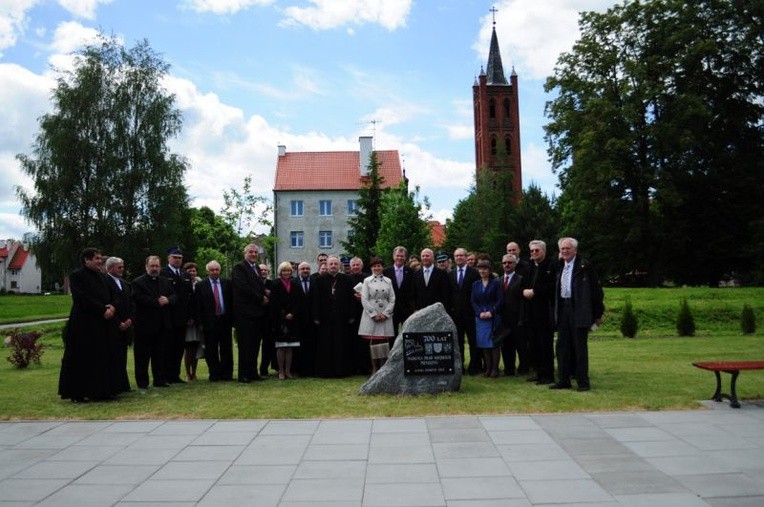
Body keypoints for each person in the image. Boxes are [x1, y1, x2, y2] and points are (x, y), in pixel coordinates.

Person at [58, 247, 121, 402]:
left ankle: (101, 391)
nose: (100, 261)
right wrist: (102, 310)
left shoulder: (103, 277)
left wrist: (113, 307)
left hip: (102, 324)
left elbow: (115, 295)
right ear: (86, 260)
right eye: (97, 258)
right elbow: (81, 298)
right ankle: (78, 393)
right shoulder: (77, 276)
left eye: (100, 258)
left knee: (101, 357)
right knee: (82, 358)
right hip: (84, 325)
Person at [551, 237, 605, 392]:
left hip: (579, 310)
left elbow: (596, 291)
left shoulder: (585, 266)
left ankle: (583, 381)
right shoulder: (560, 266)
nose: (564, 251)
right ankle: (563, 380)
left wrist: (597, 313)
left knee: (579, 348)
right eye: (562, 249)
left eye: (568, 248)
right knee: (562, 347)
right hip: (563, 309)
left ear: (575, 250)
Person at [132, 255, 176, 390]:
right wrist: (157, 302)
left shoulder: (165, 281)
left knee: (160, 354)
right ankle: (142, 383)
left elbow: (174, 295)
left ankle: (160, 379)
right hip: (144, 325)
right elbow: (138, 299)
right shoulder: (137, 282)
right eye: (152, 266)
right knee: (142, 356)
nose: (155, 269)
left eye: (157, 266)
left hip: (162, 325)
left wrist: (168, 300)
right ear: (146, 266)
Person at [312, 256, 355, 377]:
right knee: (325, 345)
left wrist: (351, 315)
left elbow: (351, 299)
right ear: (327, 265)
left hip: (342, 318)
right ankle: (325, 371)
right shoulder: (320, 280)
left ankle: (340, 371)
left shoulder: (346, 279)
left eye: (335, 264)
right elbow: (315, 299)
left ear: (339, 266)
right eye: (331, 264)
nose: (333, 266)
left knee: (341, 345)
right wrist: (315, 316)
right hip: (324, 318)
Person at [232, 244, 269, 382]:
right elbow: (243, 288)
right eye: (251, 252)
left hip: (257, 314)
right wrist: (261, 297)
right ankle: (244, 375)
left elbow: (258, 286)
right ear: (245, 253)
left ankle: (253, 372)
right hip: (245, 314)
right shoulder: (239, 268)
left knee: (254, 345)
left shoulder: (257, 269)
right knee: (245, 345)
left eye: (255, 252)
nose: (253, 254)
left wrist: (265, 292)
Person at [522, 240, 556, 385]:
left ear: (544, 251)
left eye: (537, 250)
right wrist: (524, 290)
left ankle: (547, 375)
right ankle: (538, 372)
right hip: (531, 312)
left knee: (545, 345)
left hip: (544, 311)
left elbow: (552, 286)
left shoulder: (551, 265)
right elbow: (524, 283)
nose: (534, 253)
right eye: (532, 251)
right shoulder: (530, 266)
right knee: (534, 345)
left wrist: (535, 291)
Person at [195, 260, 234, 382]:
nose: (214, 272)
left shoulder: (227, 283)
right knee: (211, 350)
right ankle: (214, 374)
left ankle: (227, 374)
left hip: (225, 320)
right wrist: (200, 323)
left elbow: (232, 303)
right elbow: (198, 306)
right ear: (207, 271)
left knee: (226, 349)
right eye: (212, 270)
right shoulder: (201, 285)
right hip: (209, 322)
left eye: (217, 269)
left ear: (220, 270)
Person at [160, 248, 194, 384]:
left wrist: (191, 316)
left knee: (179, 348)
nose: (177, 260)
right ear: (168, 258)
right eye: (174, 257)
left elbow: (190, 297)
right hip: (168, 316)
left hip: (182, 318)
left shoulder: (185, 274)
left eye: (180, 258)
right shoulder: (163, 273)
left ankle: (175, 374)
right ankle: (165, 375)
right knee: (167, 347)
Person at [357, 257, 396, 374]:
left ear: (382, 267)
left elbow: (392, 298)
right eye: (374, 266)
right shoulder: (367, 281)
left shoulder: (388, 281)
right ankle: (374, 368)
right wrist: (374, 314)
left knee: (384, 341)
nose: (377, 268)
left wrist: (385, 313)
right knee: (373, 341)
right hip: (371, 314)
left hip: (385, 314)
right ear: (371, 268)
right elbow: (364, 299)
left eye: (379, 266)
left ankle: (383, 367)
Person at [449, 248, 481, 375]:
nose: (459, 258)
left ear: (466, 257)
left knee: (473, 341)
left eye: (461, 255)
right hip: (456, 313)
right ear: (454, 258)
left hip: (471, 312)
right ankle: (460, 366)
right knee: (458, 342)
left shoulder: (474, 273)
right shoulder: (450, 274)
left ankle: (474, 367)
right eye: (457, 256)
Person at [104, 256, 133, 393]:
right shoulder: (105, 282)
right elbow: (108, 304)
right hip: (112, 326)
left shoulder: (125, 284)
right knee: (113, 356)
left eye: (122, 266)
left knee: (123, 356)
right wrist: (118, 322)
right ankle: (115, 384)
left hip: (126, 325)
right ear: (110, 268)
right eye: (119, 267)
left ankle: (123, 384)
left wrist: (130, 320)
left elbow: (131, 304)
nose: (122, 269)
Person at [470, 259, 503, 377]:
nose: (482, 271)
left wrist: (492, 312)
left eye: (485, 268)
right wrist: (479, 313)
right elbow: (473, 301)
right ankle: (487, 369)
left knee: (493, 344)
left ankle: (495, 369)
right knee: (484, 344)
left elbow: (500, 300)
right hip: (480, 318)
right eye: (480, 268)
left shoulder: (496, 283)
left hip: (492, 317)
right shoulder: (475, 284)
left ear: (489, 270)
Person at [270, 262, 302, 380]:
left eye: (288, 270)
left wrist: (292, 313)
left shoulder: (295, 285)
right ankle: (281, 371)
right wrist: (284, 314)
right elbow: (274, 303)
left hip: (293, 320)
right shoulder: (275, 284)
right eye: (284, 271)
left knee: (290, 347)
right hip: (280, 320)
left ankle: (288, 371)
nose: (286, 273)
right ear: (280, 272)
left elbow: (299, 302)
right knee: (281, 347)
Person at [497, 254, 525, 376]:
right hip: (503, 320)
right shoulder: (498, 280)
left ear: (515, 264)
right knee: (506, 346)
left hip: (517, 318)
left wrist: (522, 318)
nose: (507, 265)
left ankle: (524, 368)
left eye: (509, 262)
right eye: (504, 263)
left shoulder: (521, 280)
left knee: (521, 346)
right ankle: (509, 369)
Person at [382, 246, 414, 343]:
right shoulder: (386, 272)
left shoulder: (411, 272)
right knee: (391, 335)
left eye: (402, 256)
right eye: (397, 256)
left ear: (405, 258)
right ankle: (393, 356)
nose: (399, 258)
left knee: (408, 334)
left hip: (407, 308)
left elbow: (413, 291)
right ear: (393, 256)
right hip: (391, 309)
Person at [294, 261, 317, 376]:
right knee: (299, 345)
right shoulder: (294, 282)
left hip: (312, 319)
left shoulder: (315, 281)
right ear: (298, 270)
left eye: (307, 268)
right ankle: (299, 369)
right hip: (298, 319)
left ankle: (311, 369)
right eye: (303, 268)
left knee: (311, 345)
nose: (305, 270)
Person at [181, 262, 203, 381]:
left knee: (196, 347)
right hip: (188, 322)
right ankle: (188, 373)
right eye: (189, 271)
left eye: (194, 271)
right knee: (188, 348)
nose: (192, 273)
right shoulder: (183, 283)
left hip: (198, 321)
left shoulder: (200, 283)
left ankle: (194, 372)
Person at [348, 256, 368, 374]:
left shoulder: (368, 278)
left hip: (365, 312)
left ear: (362, 266)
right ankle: (353, 366)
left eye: (358, 265)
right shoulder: (346, 279)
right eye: (353, 265)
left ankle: (365, 367)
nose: (356, 267)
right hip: (352, 314)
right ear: (350, 267)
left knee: (364, 342)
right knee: (352, 341)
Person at [259, 263, 276, 377]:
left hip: (268, 319)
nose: (263, 272)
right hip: (256, 317)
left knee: (267, 346)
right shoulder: (253, 283)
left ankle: (264, 369)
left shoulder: (272, 284)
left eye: (265, 270)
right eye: (261, 270)